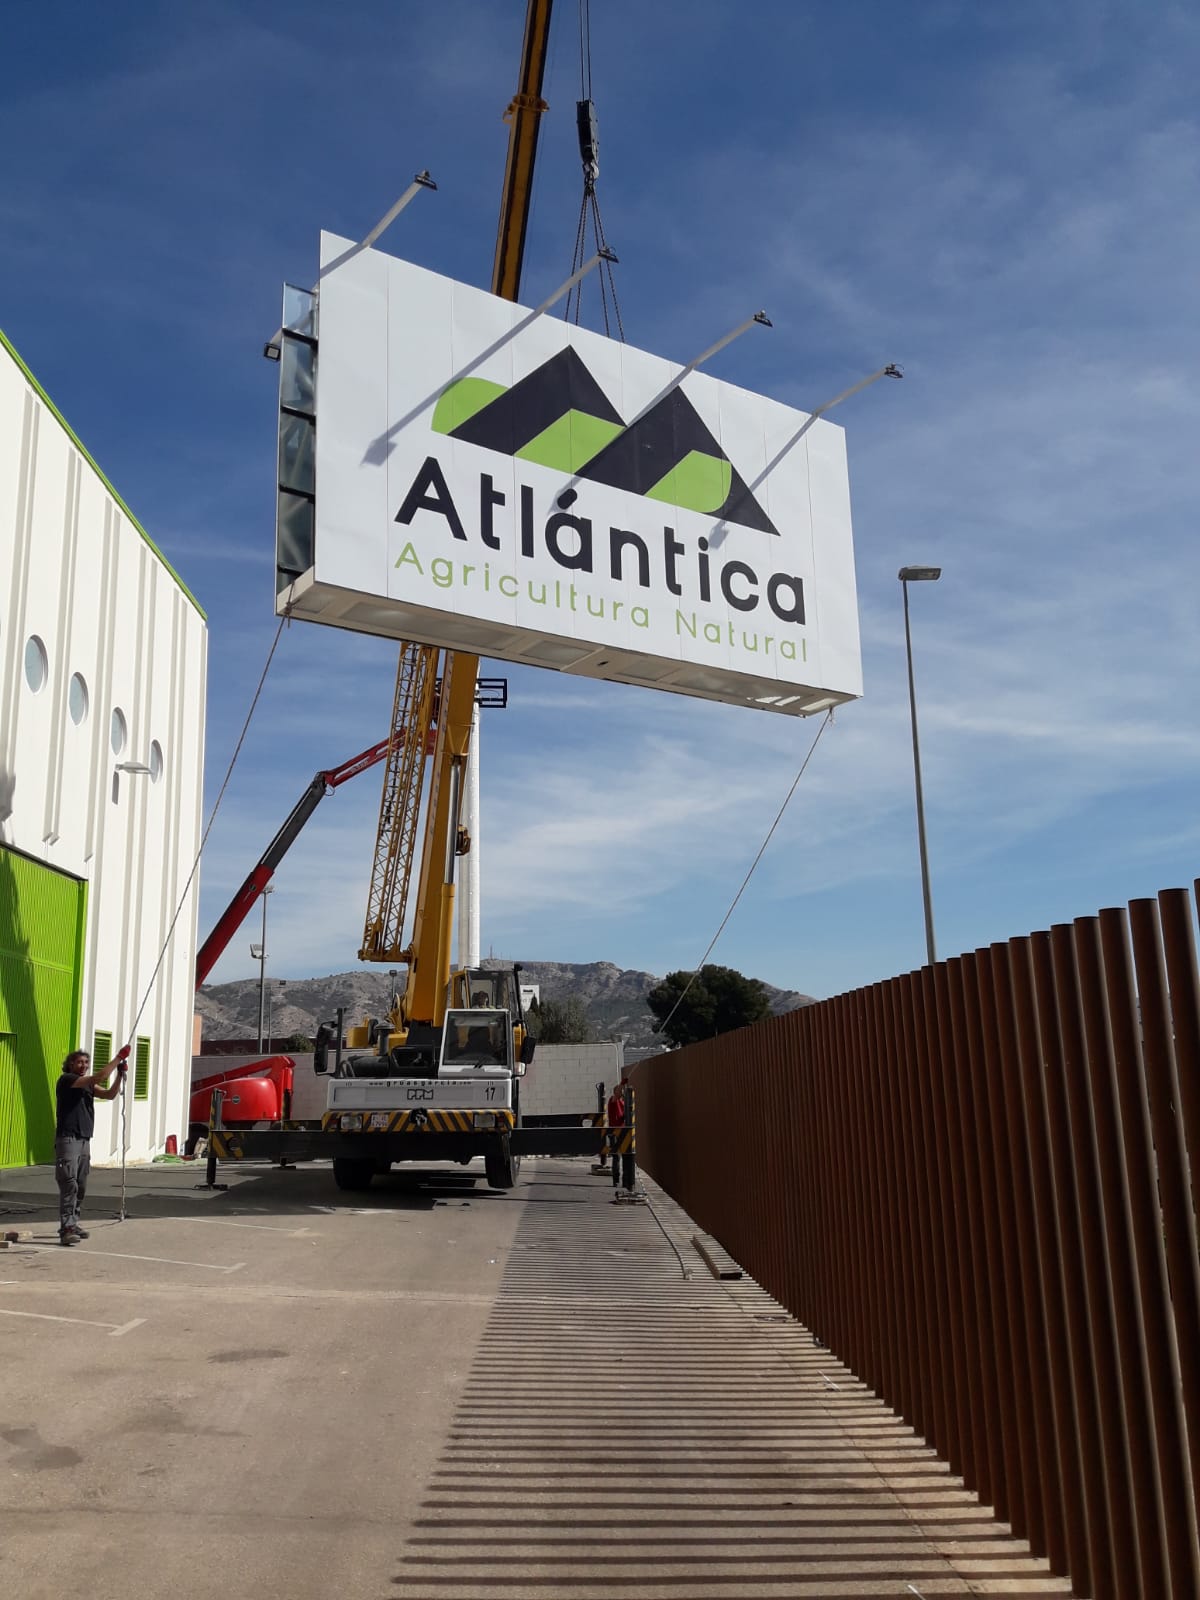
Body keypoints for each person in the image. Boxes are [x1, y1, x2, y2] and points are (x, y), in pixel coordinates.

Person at [54, 1045, 128, 1246]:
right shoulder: (68, 1080)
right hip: (68, 1139)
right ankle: (67, 1229)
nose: (83, 1065)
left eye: (86, 1062)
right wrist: (118, 1057)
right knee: (69, 1184)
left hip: (84, 1139)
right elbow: (99, 1077)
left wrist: (120, 1075)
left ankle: (73, 1222)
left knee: (81, 1184)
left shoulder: (88, 1085)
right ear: (70, 1064)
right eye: (79, 1062)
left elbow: (109, 1094)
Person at [606, 1080, 627, 1190]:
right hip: (614, 1132)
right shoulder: (613, 1100)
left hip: (623, 1132)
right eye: (620, 1091)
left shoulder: (623, 1102)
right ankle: (616, 1180)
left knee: (626, 1156)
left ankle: (625, 1180)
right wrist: (622, 1084)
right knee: (616, 1157)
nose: (622, 1092)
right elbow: (617, 1093)